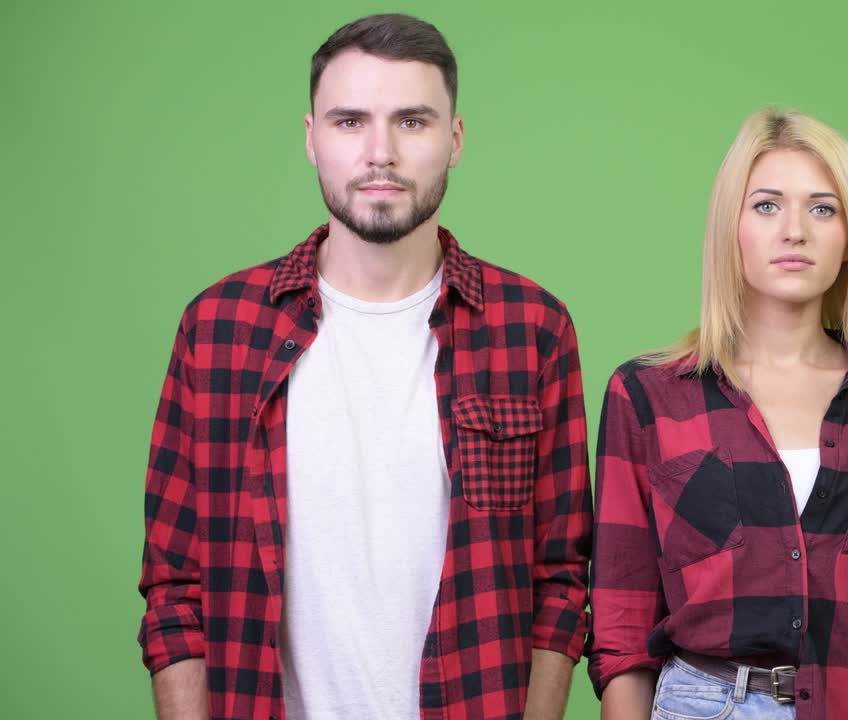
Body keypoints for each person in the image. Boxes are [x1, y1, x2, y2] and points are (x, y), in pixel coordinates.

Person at [137, 14, 591, 720]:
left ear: (455, 139)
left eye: (412, 121)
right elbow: (176, 588)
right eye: (350, 122)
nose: (381, 153)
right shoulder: (218, 330)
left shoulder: (532, 329)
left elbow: (558, 581)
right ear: (311, 138)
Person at [588, 109, 848, 719]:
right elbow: (623, 633)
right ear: (730, 228)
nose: (795, 231)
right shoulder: (648, 397)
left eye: (823, 209)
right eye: (767, 205)